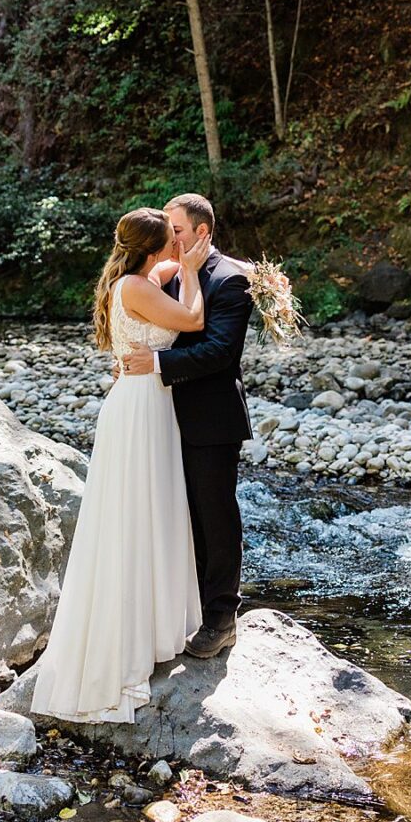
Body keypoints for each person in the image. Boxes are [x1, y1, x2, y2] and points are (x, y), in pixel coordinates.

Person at [28, 206, 213, 723]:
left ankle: (153, 629)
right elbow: (194, 318)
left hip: (146, 405)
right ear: (156, 246)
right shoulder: (135, 287)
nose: (180, 243)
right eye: (172, 237)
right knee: (135, 518)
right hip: (140, 409)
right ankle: (126, 643)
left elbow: (172, 271)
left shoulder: (141, 276)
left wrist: (217, 262)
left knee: (151, 514)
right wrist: (195, 271)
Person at [119, 193, 253, 659]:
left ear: (201, 233)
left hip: (210, 418)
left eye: (175, 230)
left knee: (214, 517)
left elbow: (220, 353)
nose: (167, 238)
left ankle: (221, 618)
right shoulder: (171, 272)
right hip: (160, 418)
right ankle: (187, 612)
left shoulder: (231, 280)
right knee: (178, 517)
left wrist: (154, 361)